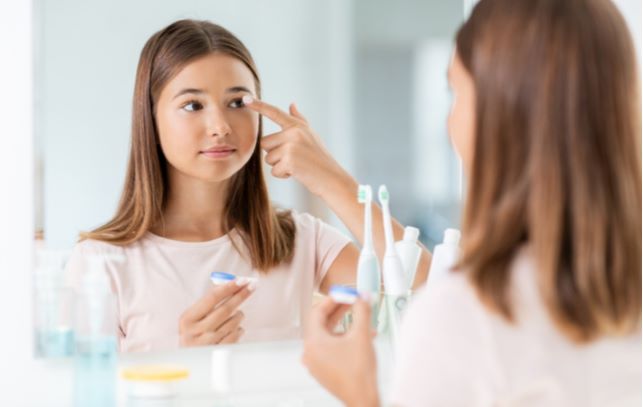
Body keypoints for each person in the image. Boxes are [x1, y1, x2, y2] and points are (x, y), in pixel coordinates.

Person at [302, 0, 642, 405]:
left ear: (502, 115)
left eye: (457, 92)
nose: (450, 122)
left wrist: (358, 392)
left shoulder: (469, 316)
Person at [65, 19, 431, 352]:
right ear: (151, 117)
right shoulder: (101, 261)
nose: (220, 125)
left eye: (237, 102)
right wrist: (183, 356)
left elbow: (424, 284)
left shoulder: (297, 239)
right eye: (193, 105)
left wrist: (329, 177)